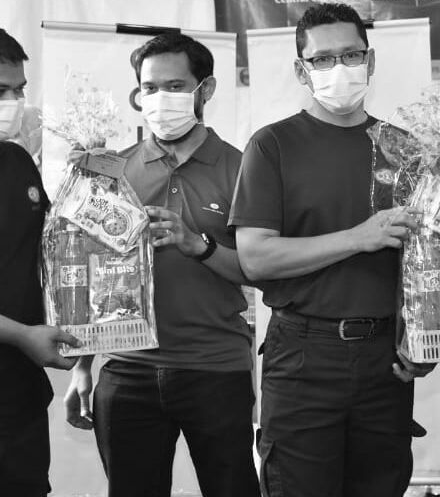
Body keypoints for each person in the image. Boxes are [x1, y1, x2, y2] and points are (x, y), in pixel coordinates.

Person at [231, 3, 432, 497]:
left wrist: (427, 339)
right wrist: (358, 238)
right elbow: (255, 258)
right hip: (304, 355)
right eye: (322, 59)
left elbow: (428, 262)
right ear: (302, 71)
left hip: (385, 359)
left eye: (351, 55)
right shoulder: (272, 145)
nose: (339, 68)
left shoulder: (405, 149)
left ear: (371, 61)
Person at [64, 32, 260, 497]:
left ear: (205, 90)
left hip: (216, 367)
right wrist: (82, 365)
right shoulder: (113, 171)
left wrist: (199, 245)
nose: (160, 99)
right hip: (126, 369)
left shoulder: (243, 168)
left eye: (175, 86)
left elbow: (261, 270)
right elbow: (92, 275)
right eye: (149, 88)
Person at [0, 28, 81, 496]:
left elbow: (50, 250)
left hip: (18, 398)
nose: (13, 103)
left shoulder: (17, 162)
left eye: (19, 90)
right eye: (1, 91)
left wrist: (91, 190)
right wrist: (21, 335)